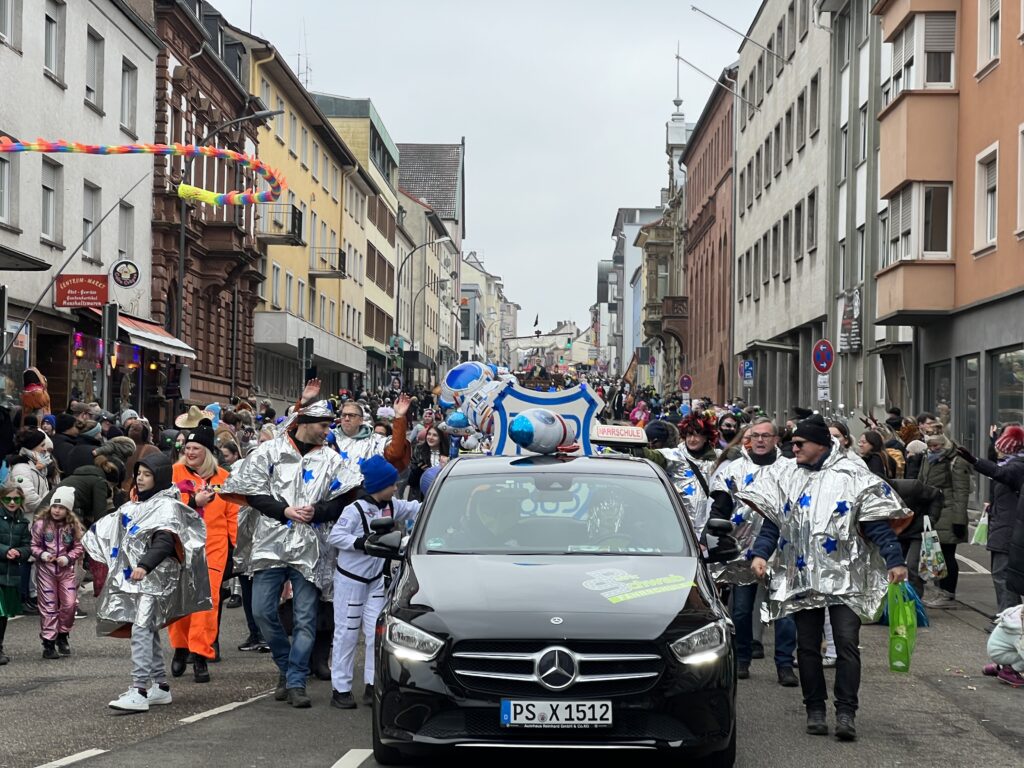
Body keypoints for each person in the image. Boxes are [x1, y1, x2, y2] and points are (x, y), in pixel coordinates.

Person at [742, 414, 909, 741]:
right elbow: (774, 524)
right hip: (803, 578)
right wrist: (761, 554)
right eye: (792, 443)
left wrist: (896, 560)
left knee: (847, 644)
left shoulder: (851, 475)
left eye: (800, 443)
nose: (794, 448)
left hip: (845, 580)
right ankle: (815, 708)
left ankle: (846, 712)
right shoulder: (787, 476)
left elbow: (875, 524)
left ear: (820, 444)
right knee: (807, 647)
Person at [221, 396, 362, 708]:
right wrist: (284, 510)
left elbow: (346, 496)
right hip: (270, 545)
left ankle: (296, 680)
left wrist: (320, 510)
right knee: (261, 611)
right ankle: (286, 665)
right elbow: (252, 493)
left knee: (305, 618)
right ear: (305, 424)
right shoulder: (270, 451)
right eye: (324, 425)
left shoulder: (331, 458)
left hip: (310, 550)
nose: (329, 431)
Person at [82, 453, 210, 712]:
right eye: (138, 473)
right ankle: (160, 687)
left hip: (155, 581)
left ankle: (139, 689)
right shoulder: (136, 505)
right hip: (140, 580)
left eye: (147, 474)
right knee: (147, 629)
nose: (140, 478)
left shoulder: (165, 507)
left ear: (159, 477)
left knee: (141, 629)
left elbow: (164, 540)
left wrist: (144, 565)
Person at [708, 417, 797, 686]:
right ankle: (742, 658)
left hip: (783, 550)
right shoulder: (733, 469)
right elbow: (720, 508)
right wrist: (715, 536)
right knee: (742, 611)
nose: (760, 440)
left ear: (776, 439)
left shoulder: (791, 470)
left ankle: (784, 664)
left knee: (784, 611)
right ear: (748, 438)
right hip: (743, 549)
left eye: (766, 436)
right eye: (755, 435)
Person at [327, 455, 422, 709]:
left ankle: (373, 685)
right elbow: (335, 535)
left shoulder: (391, 505)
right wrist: (361, 543)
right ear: (380, 485)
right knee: (346, 635)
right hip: (350, 581)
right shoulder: (355, 509)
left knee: (375, 635)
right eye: (392, 484)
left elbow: (415, 508)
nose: (395, 487)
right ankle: (341, 688)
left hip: (376, 581)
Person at [168, 419, 239, 684]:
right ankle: (180, 647)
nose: (190, 452)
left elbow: (233, 514)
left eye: (196, 447)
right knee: (181, 601)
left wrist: (236, 550)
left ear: (207, 451)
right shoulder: (174, 473)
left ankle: (200, 655)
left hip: (215, 547)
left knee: (207, 605)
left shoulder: (223, 478)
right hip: (181, 546)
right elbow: (163, 504)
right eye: (188, 447)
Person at [956, 427, 1024, 614]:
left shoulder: (1016, 467)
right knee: (1002, 575)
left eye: (1000, 446)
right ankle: (1009, 617)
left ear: (1008, 449)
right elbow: (996, 468)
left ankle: (1008, 619)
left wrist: (975, 461)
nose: (997, 450)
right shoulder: (1011, 463)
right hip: (1004, 527)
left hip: (1008, 530)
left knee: (1002, 575)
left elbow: (999, 472)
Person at [919, 433, 972, 608]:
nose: (933, 449)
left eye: (936, 446)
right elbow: (921, 483)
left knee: (947, 554)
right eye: (930, 446)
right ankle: (940, 590)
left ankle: (948, 593)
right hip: (933, 511)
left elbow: (961, 492)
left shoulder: (955, 461)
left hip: (948, 513)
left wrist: (959, 520)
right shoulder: (928, 458)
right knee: (935, 554)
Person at [31, 487, 84, 659]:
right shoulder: (41, 524)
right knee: (49, 606)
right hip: (46, 571)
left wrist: (68, 558)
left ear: (67, 510)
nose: (57, 510)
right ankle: (48, 642)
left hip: (65, 571)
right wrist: (43, 554)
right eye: (55, 506)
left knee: (70, 604)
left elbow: (78, 547)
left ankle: (62, 634)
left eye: (61, 508)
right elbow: (33, 546)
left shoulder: (72, 526)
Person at [656, 413, 720, 534]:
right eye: (689, 434)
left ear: (706, 437)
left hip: (708, 533)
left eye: (697, 435)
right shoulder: (675, 456)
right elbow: (655, 457)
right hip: (680, 533)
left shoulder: (718, 458)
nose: (692, 439)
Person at [890, 478, 945, 598]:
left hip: (919, 528)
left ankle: (915, 601)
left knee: (913, 566)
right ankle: (897, 598)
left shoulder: (910, 487)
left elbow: (937, 494)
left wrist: (931, 518)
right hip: (899, 530)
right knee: (892, 565)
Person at [0, 482, 31, 665]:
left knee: (3, 615)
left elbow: (28, 546)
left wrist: (20, 552)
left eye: (16, 498)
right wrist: (5, 551)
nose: (12, 502)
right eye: (7, 498)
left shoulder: (23, 522)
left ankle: (0, 645)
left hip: (10, 572)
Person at [984, 604, 1024, 687]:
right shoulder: (1020, 630)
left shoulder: (1019, 615)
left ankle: (1000, 667)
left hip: (999, 650)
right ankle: (1008, 671)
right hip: (1000, 654)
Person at [408, 426, 449, 502]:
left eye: (435, 435)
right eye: (429, 434)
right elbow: (411, 481)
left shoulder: (448, 454)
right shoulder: (418, 451)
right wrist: (419, 469)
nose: (430, 437)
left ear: (441, 438)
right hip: (421, 497)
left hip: (442, 494)